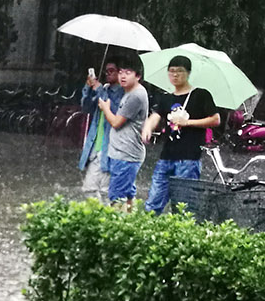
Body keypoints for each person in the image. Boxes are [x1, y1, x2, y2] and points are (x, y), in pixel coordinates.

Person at [141, 55, 220, 214]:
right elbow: (156, 115)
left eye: (179, 71)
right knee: (153, 203)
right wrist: (147, 128)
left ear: (188, 73)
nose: (175, 75)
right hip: (166, 156)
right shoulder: (166, 97)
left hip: (189, 158)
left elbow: (215, 119)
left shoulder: (201, 95)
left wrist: (188, 122)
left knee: (183, 206)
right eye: (171, 71)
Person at [98, 62, 149, 209]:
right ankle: (129, 220)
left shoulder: (136, 96)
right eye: (120, 72)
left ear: (138, 76)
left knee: (117, 197)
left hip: (126, 154)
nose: (123, 76)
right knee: (127, 195)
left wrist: (105, 108)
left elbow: (116, 122)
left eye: (128, 73)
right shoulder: (130, 92)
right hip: (123, 152)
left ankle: (117, 221)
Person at [78, 61, 121, 200]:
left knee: (106, 192)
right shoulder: (104, 90)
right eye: (106, 71)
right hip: (95, 147)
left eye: (111, 71)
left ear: (120, 72)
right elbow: (86, 107)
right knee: (89, 189)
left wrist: (99, 89)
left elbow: (113, 109)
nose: (108, 74)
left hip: (111, 149)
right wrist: (89, 87)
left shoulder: (123, 92)